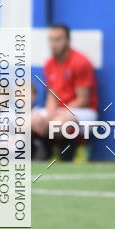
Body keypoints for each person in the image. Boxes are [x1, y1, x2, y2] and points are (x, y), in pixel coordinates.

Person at [31, 25, 99, 161]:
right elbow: (51, 95)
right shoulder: (49, 63)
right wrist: (50, 114)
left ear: (67, 40)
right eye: (51, 40)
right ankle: (46, 152)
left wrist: (58, 115)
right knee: (32, 120)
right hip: (61, 111)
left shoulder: (80, 62)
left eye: (58, 40)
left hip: (84, 111)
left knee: (58, 123)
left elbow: (83, 99)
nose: (53, 44)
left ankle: (76, 151)